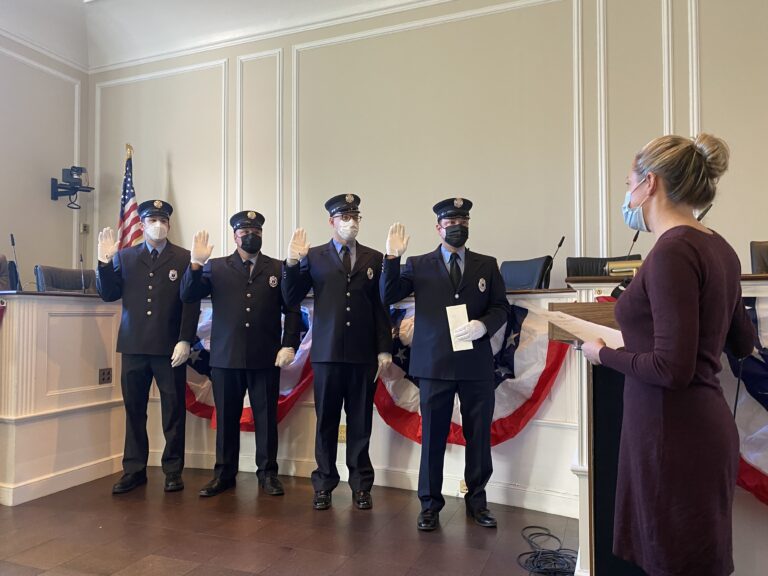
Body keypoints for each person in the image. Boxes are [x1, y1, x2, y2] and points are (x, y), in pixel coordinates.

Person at [581, 134, 755, 576]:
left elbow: (670, 368)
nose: (627, 193)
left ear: (650, 183)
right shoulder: (719, 246)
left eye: (629, 181)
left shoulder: (671, 251)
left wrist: (603, 354)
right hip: (700, 429)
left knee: (672, 561)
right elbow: (742, 343)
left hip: (671, 435)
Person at [380, 198, 510, 531]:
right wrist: (392, 258)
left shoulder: (486, 264)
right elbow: (388, 293)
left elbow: (501, 308)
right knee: (433, 437)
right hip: (434, 364)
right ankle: (429, 505)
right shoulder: (419, 264)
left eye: (462, 222)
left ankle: (477, 502)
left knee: (478, 436)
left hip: (475, 364)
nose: (457, 228)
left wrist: (484, 325)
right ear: (438, 228)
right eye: (450, 223)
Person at [282, 194, 392, 511]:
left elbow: (379, 307)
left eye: (355, 216)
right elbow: (291, 296)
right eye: (344, 217)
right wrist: (292, 264)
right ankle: (324, 484)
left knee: (360, 423)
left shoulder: (373, 258)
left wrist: (384, 348)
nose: (351, 222)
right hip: (327, 353)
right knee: (326, 422)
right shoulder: (313, 256)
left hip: (362, 355)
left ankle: (360, 486)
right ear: (331, 221)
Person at [180, 211, 301, 497]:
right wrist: (195, 265)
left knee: (266, 419)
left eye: (256, 230)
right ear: (234, 235)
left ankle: (268, 474)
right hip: (226, 356)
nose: (251, 235)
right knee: (226, 419)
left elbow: (292, 307)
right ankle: (224, 474)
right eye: (245, 230)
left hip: (265, 356)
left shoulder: (277, 268)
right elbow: (188, 294)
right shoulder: (217, 267)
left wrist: (289, 343)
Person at [96, 200, 200, 494]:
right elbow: (109, 294)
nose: (158, 224)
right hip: (134, 344)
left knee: (173, 412)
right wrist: (104, 264)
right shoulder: (126, 257)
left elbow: (189, 302)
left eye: (163, 219)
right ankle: (134, 469)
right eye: (152, 219)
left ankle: (172, 470)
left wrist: (184, 339)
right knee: (134, 411)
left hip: (169, 348)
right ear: (141, 225)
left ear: (169, 224)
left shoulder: (183, 257)